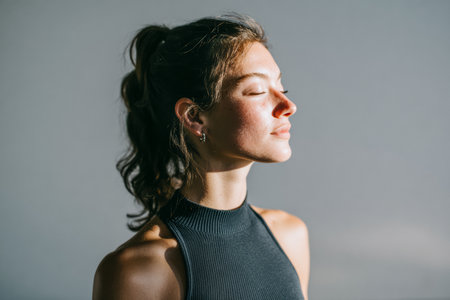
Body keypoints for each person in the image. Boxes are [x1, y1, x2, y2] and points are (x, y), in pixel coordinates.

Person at [93, 14, 310, 300]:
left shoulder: (290, 236)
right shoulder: (139, 270)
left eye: (281, 87)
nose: (288, 105)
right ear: (195, 117)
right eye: (257, 90)